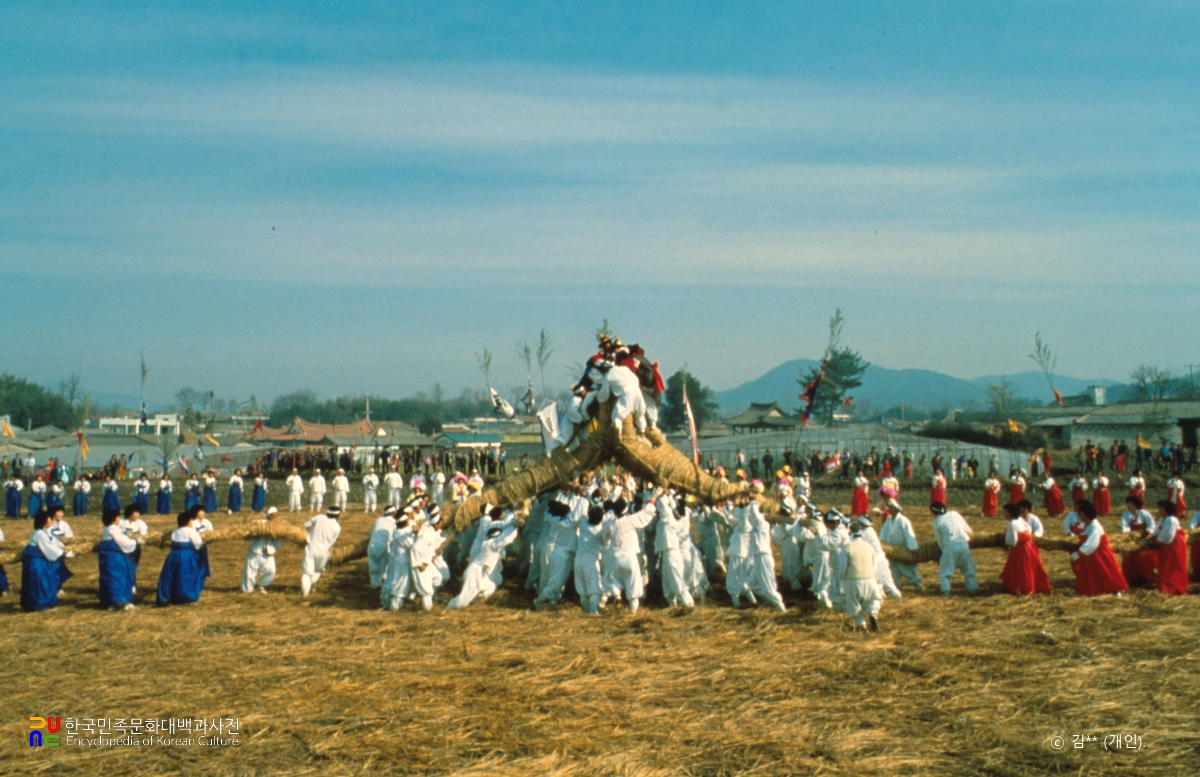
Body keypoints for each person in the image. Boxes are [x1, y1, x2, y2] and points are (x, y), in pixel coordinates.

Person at [601, 493, 659, 613]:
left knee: (612, 581)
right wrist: (654, 496)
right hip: (630, 558)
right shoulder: (630, 520)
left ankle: (616, 596)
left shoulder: (610, 524)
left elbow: (603, 538)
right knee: (633, 590)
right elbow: (645, 514)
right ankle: (633, 613)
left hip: (615, 559)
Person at [447, 521, 520, 609]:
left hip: (482, 573)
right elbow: (505, 539)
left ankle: (476, 603)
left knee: (491, 587)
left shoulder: (492, 545)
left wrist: (513, 526)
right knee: (464, 599)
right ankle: (450, 607)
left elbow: (504, 537)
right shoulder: (490, 544)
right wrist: (514, 526)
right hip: (474, 573)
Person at [1069, 500, 1128, 597]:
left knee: (1106, 572)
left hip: (1099, 554)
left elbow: (1092, 543)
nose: (1079, 517)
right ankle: (1098, 590)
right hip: (1091, 554)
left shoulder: (1095, 526)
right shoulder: (1087, 525)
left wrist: (1079, 553)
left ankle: (1116, 590)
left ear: (1084, 514)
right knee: (1095, 574)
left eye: (1080, 514)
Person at [20, 510, 75, 611]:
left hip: (42, 562)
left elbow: (55, 543)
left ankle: (47, 602)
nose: (51, 521)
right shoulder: (39, 534)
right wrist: (64, 554)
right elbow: (49, 547)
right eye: (49, 519)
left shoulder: (45, 532)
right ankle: (39, 605)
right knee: (39, 583)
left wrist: (66, 548)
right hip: (35, 563)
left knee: (46, 581)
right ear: (44, 521)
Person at [744, 483, 786, 612]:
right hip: (757, 555)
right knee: (753, 583)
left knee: (768, 587)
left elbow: (753, 515)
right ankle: (769, 602)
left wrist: (754, 500)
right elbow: (752, 515)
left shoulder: (763, 524)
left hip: (763, 555)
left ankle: (780, 607)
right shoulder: (760, 521)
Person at [156, 507, 206, 606]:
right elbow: (198, 543)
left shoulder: (176, 531)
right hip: (186, 556)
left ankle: (170, 596)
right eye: (191, 520)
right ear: (188, 521)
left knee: (172, 575)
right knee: (185, 575)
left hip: (173, 555)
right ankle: (186, 596)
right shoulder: (190, 531)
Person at [838, 522, 883, 631]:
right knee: (873, 599)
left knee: (853, 603)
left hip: (853, 580)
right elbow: (875, 565)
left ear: (850, 532)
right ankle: (873, 613)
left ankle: (861, 625)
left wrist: (843, 579)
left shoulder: (847, 548)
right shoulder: (869, 547)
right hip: (870, 579)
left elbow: (843, 567)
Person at [999, 504, 1051, 595]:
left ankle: (1023, 588)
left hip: (1020, 549)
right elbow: (1028, 528)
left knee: (1022, 569)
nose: (1004, 514)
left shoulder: (1012, 523)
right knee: (1029, 567)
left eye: (1006, 512)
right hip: (1029, 545)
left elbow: (1013, 540)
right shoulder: (1019, 519)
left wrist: (1007, 542)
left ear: (1010, 513)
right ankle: (1033, 587)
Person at [655, 490, 695, 608]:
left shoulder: (669, 519)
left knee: (677, 583)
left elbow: (664, 505)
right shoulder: (674, 520)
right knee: (667, 584)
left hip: (671, 555)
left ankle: (689, 605)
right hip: (668, 554)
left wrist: (662, 492)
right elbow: (669, 506)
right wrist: (669, 495)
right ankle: (673, 606)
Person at [98, 508, 141, 610]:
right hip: (115, 557)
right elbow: (122, 541)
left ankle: (110, 601)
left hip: (107, 557)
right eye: (118, 517)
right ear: (113, 519)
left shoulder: (106, 529)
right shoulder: (113, 529)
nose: (119, 519)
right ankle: (121, 601)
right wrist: (135, 541)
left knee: (108, 577)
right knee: (118, 577)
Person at [931, 502, 977, 595]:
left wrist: (943, 551)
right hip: (964, 545)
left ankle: (945, 592)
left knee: (945, 572)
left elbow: (939, 540)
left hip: (949, 547)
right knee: (969, 570)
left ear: (933, 512)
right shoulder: (954, 514)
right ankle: (973, 590)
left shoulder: (936, 522)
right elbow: (967, 528)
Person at [879, 499, 922, 592]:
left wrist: (913, 548)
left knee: (906, 569)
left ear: (896, 509)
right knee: (893, 569)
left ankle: (917, 583)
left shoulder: (903, 520)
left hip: (903, 550)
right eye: (889, 508)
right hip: (891, 550)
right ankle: (896, 586)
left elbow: (909, 534)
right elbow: (883, 533)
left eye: (891, 508)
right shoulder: (888, 520)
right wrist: (882, 544)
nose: (889, 510)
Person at [241, 507, 285, 593]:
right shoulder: (260, 523)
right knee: (249, 573)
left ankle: (262, 586)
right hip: (255, 551)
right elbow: (247, 534)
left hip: (268, 553)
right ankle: (247, 591)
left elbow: (278, 543)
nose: (277, 517)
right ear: (269, 516)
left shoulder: (278, 527)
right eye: (275, 515)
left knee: (271, 571)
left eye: (277, 515)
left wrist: (282, 536)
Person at [300, 506, 342, 596]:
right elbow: (332, 542)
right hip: (324, 552)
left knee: (307, 572)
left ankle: (305, 593)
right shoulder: (337, 527)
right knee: (318, 571)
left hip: (311, 548)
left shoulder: (319, 517)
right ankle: (311, 586)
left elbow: (305, 525)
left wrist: (304, 535)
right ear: (338, 516)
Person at [1120, 496, 1158, 587]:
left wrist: (1147, 532)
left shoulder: (1144, 514)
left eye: (1129, 504)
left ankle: (1146, 577)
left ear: (1134, 505)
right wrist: (1129, 535)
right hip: (1132, 539)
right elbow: (1125, 526)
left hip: (1144, 538)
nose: (1127, 505)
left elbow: (1151, 525)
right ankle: (1132, 578)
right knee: (1130, 556)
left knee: (1143, 557)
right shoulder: (1125, 515)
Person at [1152, 500, 1188, 596]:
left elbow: (1168, 534)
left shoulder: (1171, 520)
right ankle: (1165, 586)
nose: (1159, 509)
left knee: (1173, 565)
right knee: (1165, 565)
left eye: (1161, 508)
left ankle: (1173, 587)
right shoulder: (1163, 519)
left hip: (1174, 544)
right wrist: (1152, 536)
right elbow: (1158, 530)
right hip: (1167, 544)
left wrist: (1157, 542)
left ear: (1166, 509)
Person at [368, 506, 398, 588]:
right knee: (384, 568)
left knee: (374, 567)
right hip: (384, 546)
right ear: (393, 513)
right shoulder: (394, 522)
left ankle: (376, 585)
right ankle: (385, 584)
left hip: (372, 545)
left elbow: (371, 533)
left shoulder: (378, 520)